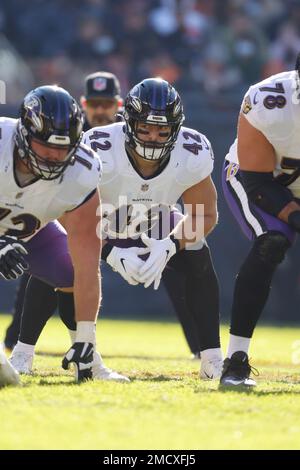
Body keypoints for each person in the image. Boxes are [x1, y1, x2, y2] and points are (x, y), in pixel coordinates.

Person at [11, 78, 223, 379]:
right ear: (129, 123)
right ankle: (23, 351)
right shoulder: (98, 148)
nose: (153, 138)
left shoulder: (192, 151)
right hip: (101, 221)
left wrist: (172, 244)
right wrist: (108, 250)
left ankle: (212, 359)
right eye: (146, 129)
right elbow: (63, 210)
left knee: (198, 252)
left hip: (156, 221)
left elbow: (205, 214)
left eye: (163, 131)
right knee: (61, 260)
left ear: (176, 128)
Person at [0, 84, 127, 384]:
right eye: (47, 146)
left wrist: (87, 336)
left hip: (29, 232)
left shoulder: (82, 170)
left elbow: (86, 266)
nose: (55, 156)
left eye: (63, 147)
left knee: (70, 269)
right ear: (23, 134)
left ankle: (90, 359)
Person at [220, 55, 300, 387]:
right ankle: (236, 360)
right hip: (260, 181)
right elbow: (257, 181)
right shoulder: (268, 100)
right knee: (273, 241)